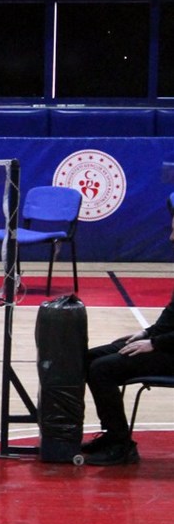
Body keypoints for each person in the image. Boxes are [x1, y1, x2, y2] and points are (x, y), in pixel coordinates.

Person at [81, 194, 174, 466]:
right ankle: (112, 434)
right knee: (89, 358)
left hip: (170, 351)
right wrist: (146, 333)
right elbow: (172, 315)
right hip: (165, 343)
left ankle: (121, 446)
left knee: (103, 369)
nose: (171, 238)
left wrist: (154, 344)